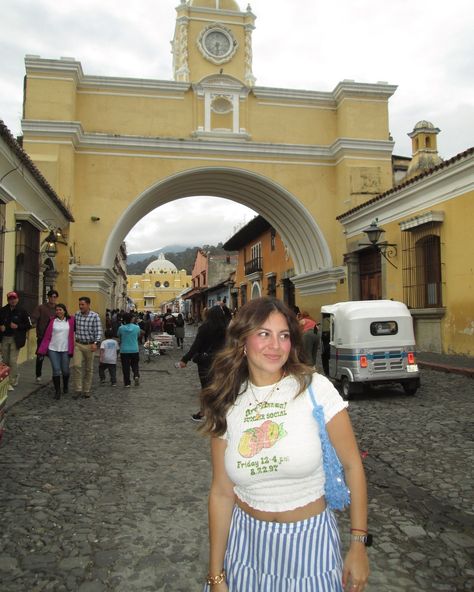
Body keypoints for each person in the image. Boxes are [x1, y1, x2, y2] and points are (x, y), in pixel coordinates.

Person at [199, 297, 369, 592]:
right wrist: (216, 575)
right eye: (263, 334)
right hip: (246, 546)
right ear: (242, 341)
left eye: (284, 335)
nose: (275, 345)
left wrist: (358, 543)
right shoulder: (227, 402)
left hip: (311, 545)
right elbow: (221, 492)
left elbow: (353, 465)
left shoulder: (315, 388)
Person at [179, 305, 227, 422]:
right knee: (218, 386)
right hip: (221, 360)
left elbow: (197, 345)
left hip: (205, 362)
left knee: (206, 387)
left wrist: (185, 359)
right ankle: (219, 411)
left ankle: (203, 412)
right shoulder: (225, 328)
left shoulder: (205, 327)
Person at [37, 303, 75, 399]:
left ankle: (65, 385)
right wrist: (42, 349)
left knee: (65, 370)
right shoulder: (52, 320)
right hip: (53, 349)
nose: (58, 311)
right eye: (57, 310)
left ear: (64, 311)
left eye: (60, 310)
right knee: (56, 370)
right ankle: (57, 391)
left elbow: (75, 332)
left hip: (65, 349)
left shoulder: (71, 320)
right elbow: (46, 335)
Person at [0, 292, 32, 391]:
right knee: (5, 361)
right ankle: (5, 380)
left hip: (16, 338)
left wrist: (18, 326)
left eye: (14, 298)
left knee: (12, 360)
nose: (12, 300)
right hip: (4, 338)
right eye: (10, 299)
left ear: (17, 299)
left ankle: (12, 381)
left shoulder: (22, 311)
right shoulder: (3, 310)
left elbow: (29, 325)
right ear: (8, 300)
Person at [73, 297, 103, 399]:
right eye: (80, 304)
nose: (80, 306)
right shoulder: (77, 314)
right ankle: (78, 389)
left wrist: (96, 343)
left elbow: (99, 331)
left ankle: (86, 390)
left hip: (90, 345)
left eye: (82, 305)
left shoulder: (95, 316)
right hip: (78, 344)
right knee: (77, 366)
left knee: (89, 369)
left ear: (88, 305)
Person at [31, 289, 59, 383]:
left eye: (55, 297)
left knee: (55, 357)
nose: (53, 298)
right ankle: (38, 376)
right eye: (51, 296)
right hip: (42, 337)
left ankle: (55, 375)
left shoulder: (58, 309)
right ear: (48, 297)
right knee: (40, 357)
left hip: (55, 337)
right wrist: (33, 323)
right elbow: (34, 317)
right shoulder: (41, 308)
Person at [117, 312, 141, 388]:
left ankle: (127, 383)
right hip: (134, 349)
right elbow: (138, 336)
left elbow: (119, 336)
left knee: (125, 367)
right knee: (135, 364)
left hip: (124, 350)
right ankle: (136, 375)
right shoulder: (137, 327)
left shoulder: (121, 328)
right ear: (131, 319)